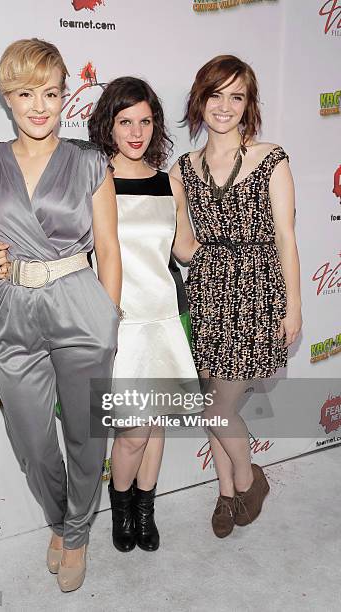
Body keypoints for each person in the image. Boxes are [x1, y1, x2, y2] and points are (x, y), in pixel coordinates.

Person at [0, 38, 121, 592]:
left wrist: (107, 316)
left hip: (78, 299)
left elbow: (108, 247)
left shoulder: (88, 161)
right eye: (27, 93)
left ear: (63, 98)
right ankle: (61, 517)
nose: (39, 105)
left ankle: (74, 533)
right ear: (8, 97)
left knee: (85, 431)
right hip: (11, 307)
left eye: (51, 93)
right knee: (31, 437)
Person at [170, 55, 302, 538]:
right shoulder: (182, 169)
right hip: (207, 292)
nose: (224, 106)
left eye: (236, 96)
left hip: (256, 291)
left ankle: (251, 480)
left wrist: (294, 306)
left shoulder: (271, 157)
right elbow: (184, 244)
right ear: (199, 101)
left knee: (218, 407)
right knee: (212, 398)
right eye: (215, 94)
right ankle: (226, 493)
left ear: (248, 106)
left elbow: (287, 238)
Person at [88, 77, 199, 553]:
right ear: (108, 126)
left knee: (156, 426)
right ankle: (121, 507)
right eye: (125, 121)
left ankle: (145, 510)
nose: (136, 132)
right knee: (133, 431)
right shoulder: (94, 179)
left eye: (146, 121)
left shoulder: (168, 180)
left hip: (165, 317)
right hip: (122, 322)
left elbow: (186, 250)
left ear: (156, 125)